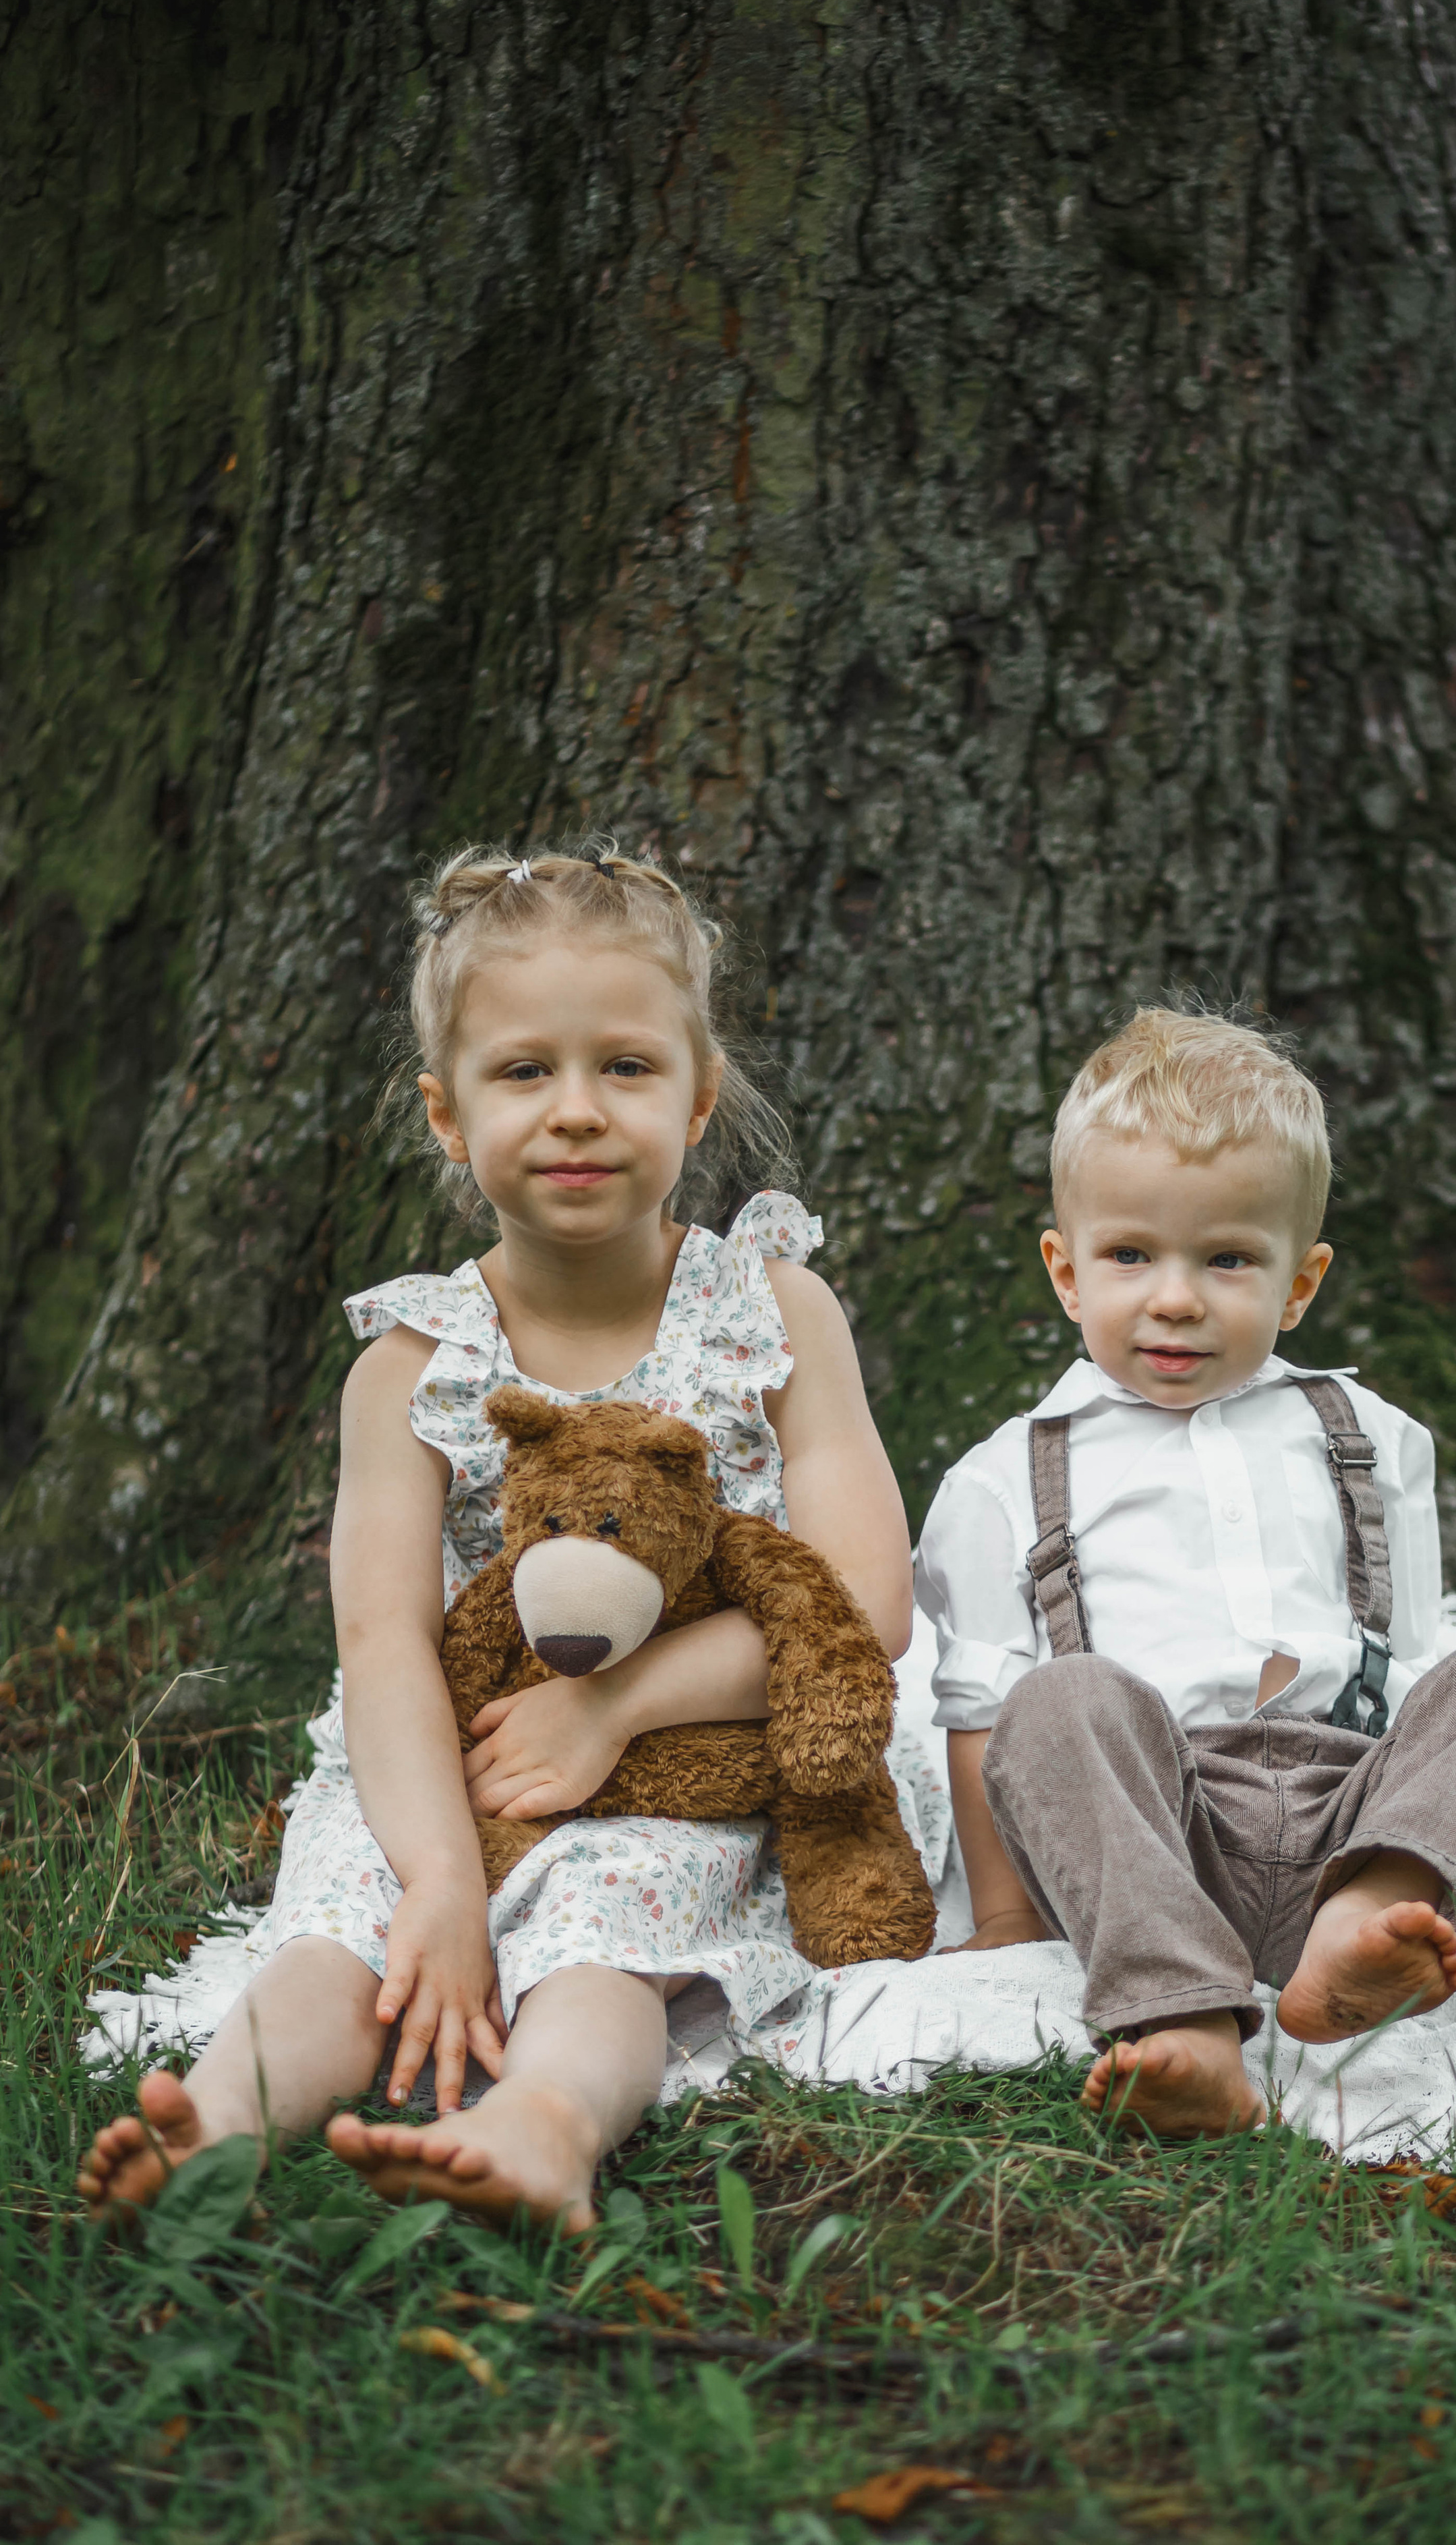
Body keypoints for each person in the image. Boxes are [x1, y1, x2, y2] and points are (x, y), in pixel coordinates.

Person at [79, 846, 922, 2232]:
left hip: (677, 1761)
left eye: (627, 1070)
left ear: (698, 1096)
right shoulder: (412, 1362)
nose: (577, 1112)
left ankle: (544, 2129)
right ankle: (216, 2122)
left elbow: (861, 1602)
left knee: (605, 1943)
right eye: (524, 1072)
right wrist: (445, 1883)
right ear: (446, 1116)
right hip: (442, 1759)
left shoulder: (770, 1311)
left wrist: (614, 1710)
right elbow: (383, 1641)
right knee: (345, 1938)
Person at [914, 1007, 1456, 2139]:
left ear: (1300, 1283)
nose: (1176, 1297)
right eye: (1131, 1255)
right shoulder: (1002, 1477)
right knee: (1061, 1699)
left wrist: (1391, 1828)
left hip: (1350, 1812)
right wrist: (1002, 1921)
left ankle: (1366, 1925)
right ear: (1066, 1271)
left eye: (1228, 1258)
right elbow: (985, 1717)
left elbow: (1413, 1664)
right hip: (1149, 1846)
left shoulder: (1378, 1440)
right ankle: (1180, 2015)